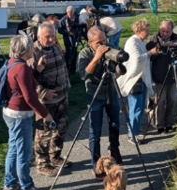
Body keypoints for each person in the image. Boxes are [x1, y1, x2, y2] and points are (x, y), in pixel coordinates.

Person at [1, 34, 54, 190]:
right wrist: (46, 115)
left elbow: (25, 82)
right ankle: (27, 189)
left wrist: (37, 70)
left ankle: (9, 184)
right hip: (20, 115)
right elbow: (30, 97)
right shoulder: (22, 67)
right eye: (31, 46)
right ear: (24, 49)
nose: (33, 48)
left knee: (14, 149)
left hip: (10, 112)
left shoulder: (13, 63)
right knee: (24, 153)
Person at [27, 22, 71, 176]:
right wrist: (43, 92)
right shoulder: (33, 52)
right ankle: (42, 163)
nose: (51, 39)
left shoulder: (54, 47)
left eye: (53, 36)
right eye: (47, 37)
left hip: (62, 97)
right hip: (45, 102)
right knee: (43, 134)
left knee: (62, 129)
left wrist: (67, 85)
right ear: (38, 36)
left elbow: (63, 67)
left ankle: (55, 156)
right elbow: (29, 79)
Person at [77, 26, 122, 178]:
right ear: (90, 42)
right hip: (94, 93)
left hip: (111, 90)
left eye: (104, 40)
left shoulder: (111, 47)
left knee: (115, 123)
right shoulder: (84, 53)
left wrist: (119, 65)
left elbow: (118, 69)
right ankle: (96, 164)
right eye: (99, 43)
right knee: (94, 131)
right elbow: (83, 74)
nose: (104, 45)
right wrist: (96, 57)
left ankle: (114, 150)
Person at [146, 19, 177, 133]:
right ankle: (159, 124)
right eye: (162, 31)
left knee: (173, 100)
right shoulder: (154, 39)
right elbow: (148, 55)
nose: (164, 34)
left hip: (173, 75)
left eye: (167, 31)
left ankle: (169, 123)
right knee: (160, 101)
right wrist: (157, 51)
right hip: (159, 75)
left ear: (172, 30)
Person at [118, 19, 154, 144]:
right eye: (146, 30)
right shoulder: (133, 42)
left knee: (139, 107)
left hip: (141, 79)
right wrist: (150, 53)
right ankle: (132, 135)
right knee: (135, 108)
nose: (148, 32)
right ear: (139, 30)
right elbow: (136, 60)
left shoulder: (140, 41)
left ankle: (134, 131)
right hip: (135, 80)